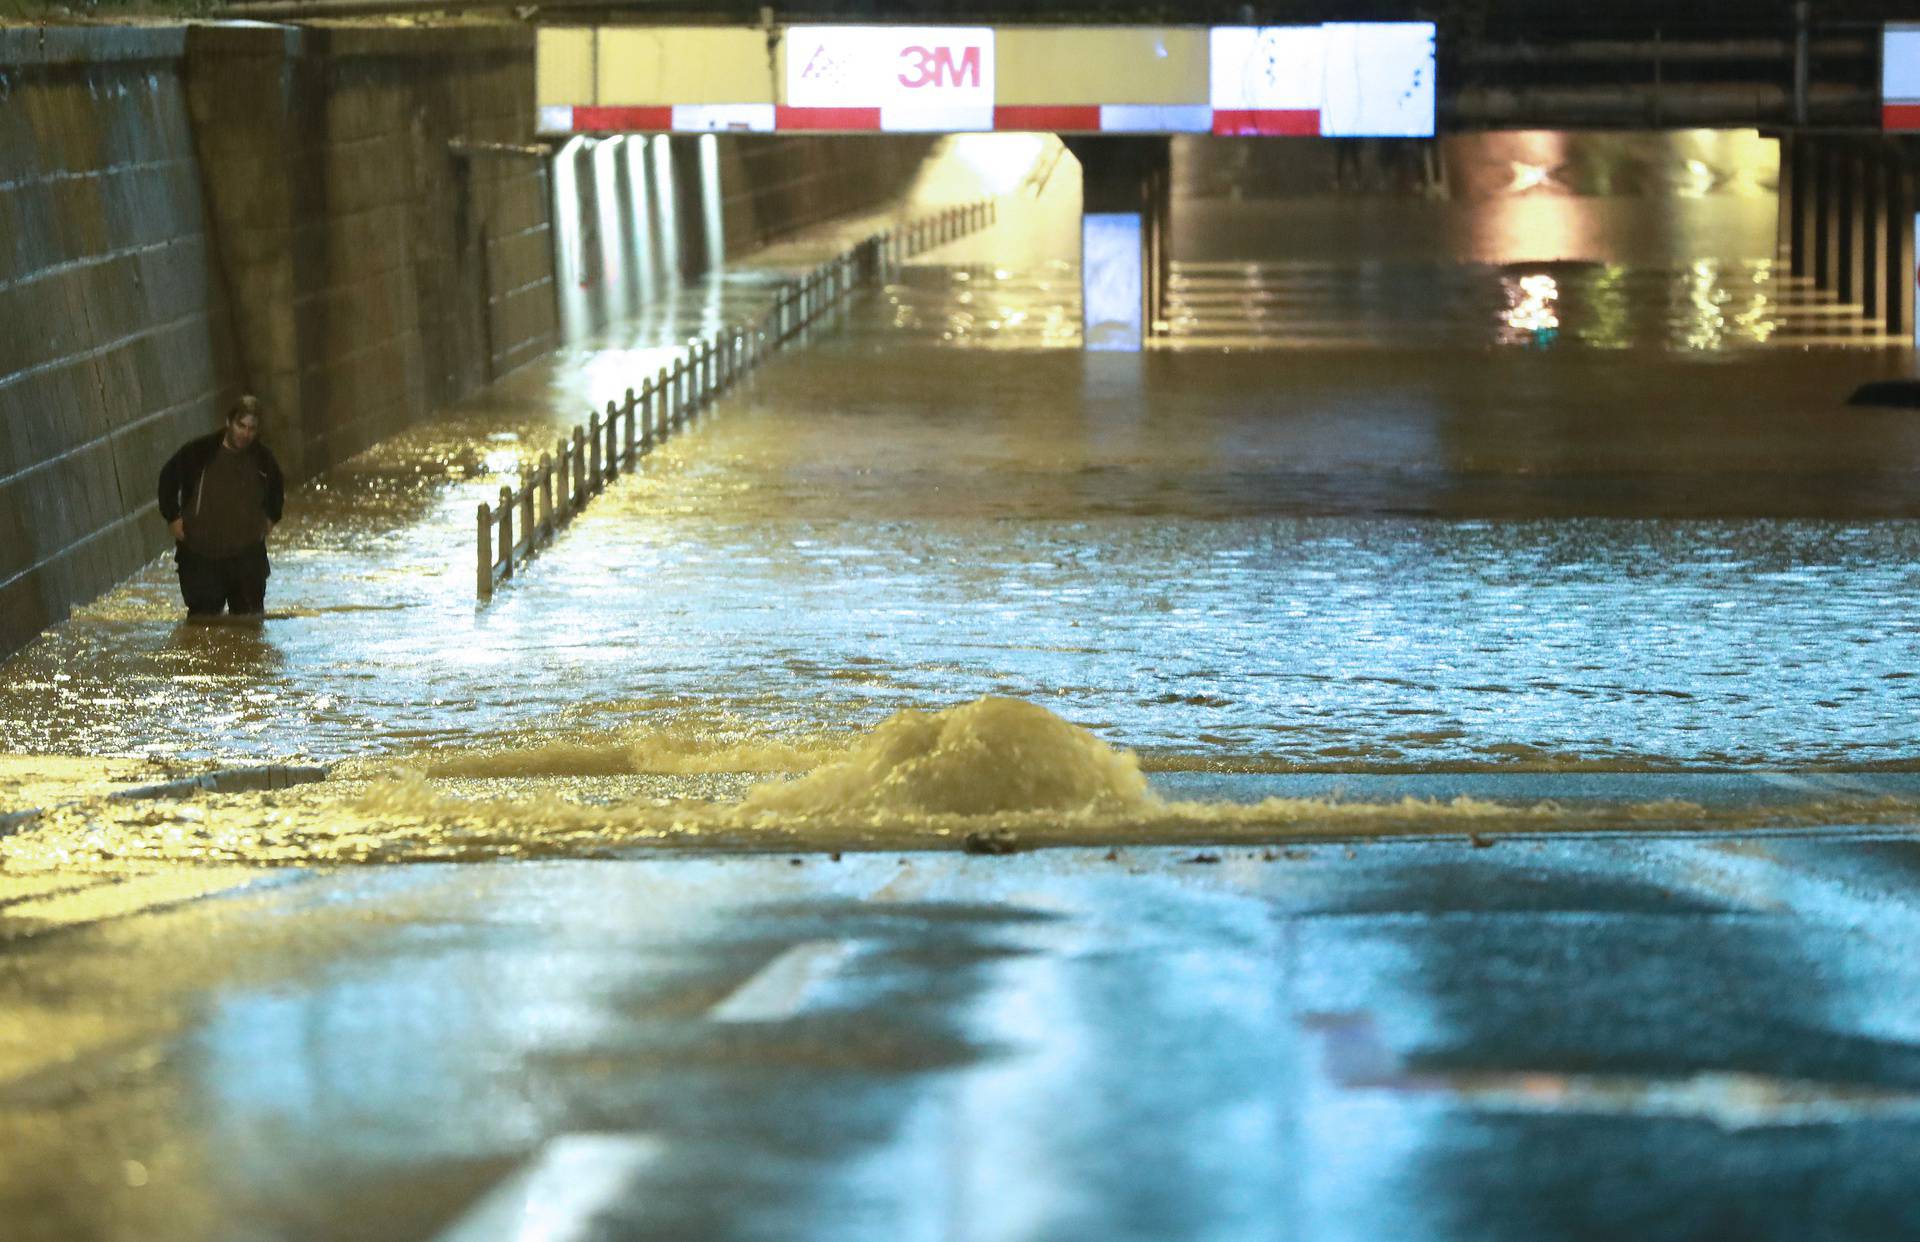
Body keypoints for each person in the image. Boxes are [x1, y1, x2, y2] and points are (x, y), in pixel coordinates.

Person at [157, 396, 284, 617]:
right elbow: (168, 478)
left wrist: (271, 518)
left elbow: (277, 490)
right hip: (201, 555)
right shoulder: (199, 453)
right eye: (241, 426)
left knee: (250, 625)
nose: (245, 434)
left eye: (251, 429)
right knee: (203, 625)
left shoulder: (263, 460)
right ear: (228, 422)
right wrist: (173, 517)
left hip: (247, 558)